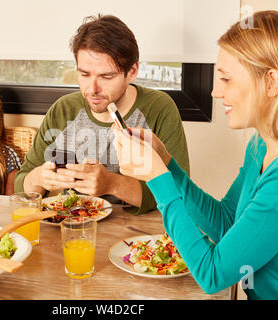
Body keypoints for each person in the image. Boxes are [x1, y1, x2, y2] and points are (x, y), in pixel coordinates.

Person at [112, 10, 278, 299]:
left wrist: (157, 179)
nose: (214, 91)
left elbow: (213, 275)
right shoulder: (262, 145)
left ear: (271, 83)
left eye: (226, 79)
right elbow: (226, 223)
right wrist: (167, 165)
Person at [14, 14, 189, 214]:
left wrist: (112, 184)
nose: (92, 89)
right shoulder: (63, 110)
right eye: (84, 74)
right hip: (75, 229)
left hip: (141, 236)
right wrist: (40, 178)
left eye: (107, 76)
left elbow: (180, 194)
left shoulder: (159, 108)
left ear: (132, 71)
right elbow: (21, 187)